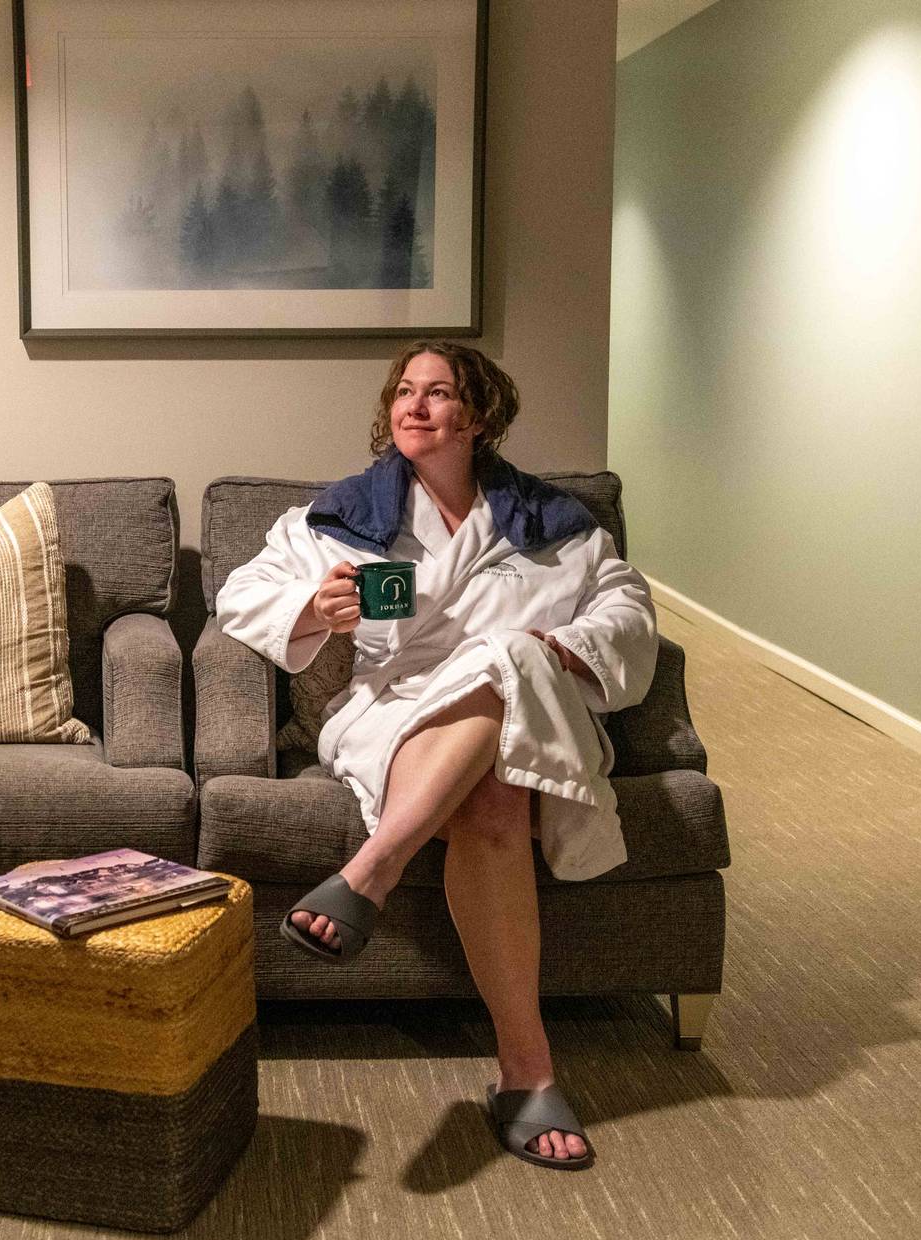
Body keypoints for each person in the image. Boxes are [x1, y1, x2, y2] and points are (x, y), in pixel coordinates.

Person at [214, 340, 658, 1171]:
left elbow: (628, 614)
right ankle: (528, 1076)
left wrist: (556, 651)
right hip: (401, 710)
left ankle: (370, 871)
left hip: (533, 705)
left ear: (479, 416)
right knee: (492, 792)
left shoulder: (554, 524)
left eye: (440, 392)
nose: (415, 407)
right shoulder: (344, 515)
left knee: (506, 672)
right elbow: (241, 594)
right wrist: (317, 605)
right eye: (404, 393)